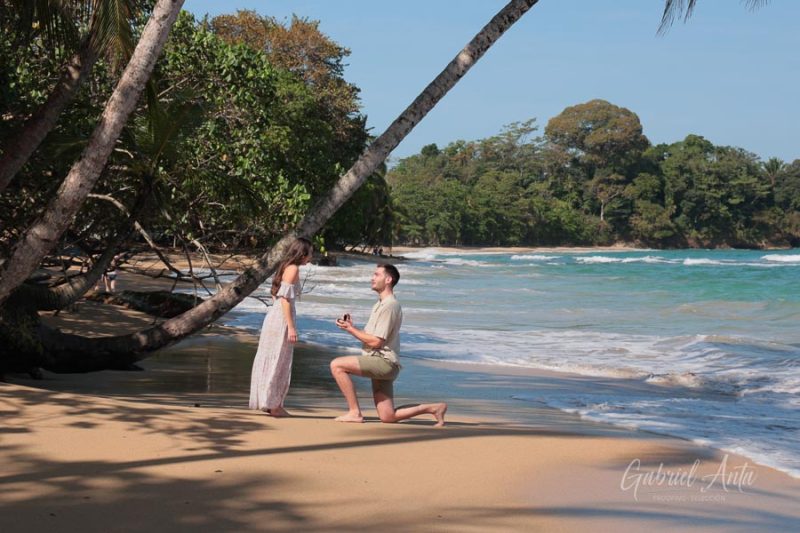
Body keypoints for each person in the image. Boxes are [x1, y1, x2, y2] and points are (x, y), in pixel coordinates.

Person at [330, 264, 447, 426]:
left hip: (383, 362)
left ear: (388, 279)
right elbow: (370, 337)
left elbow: (377, 342)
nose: (372, 278)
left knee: (337, 365)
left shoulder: (390, 306)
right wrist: (351, 326)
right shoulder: (380, 304)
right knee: (387, 416)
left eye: (376, 275)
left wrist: (351, 330)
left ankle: (354, 412)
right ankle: (434, 408)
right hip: (380, 360)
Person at [249, 238, 314, 417]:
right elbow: (285, 299)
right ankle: (274, 405)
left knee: (273, 358)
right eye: (310, 253)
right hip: (281, 319)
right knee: (279, 360)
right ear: (302, 253)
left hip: (275, 315)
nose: (311, 257)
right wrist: (291, 327)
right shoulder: (293, 269)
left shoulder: (285, 266)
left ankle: (269, 401)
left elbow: (277, 295)